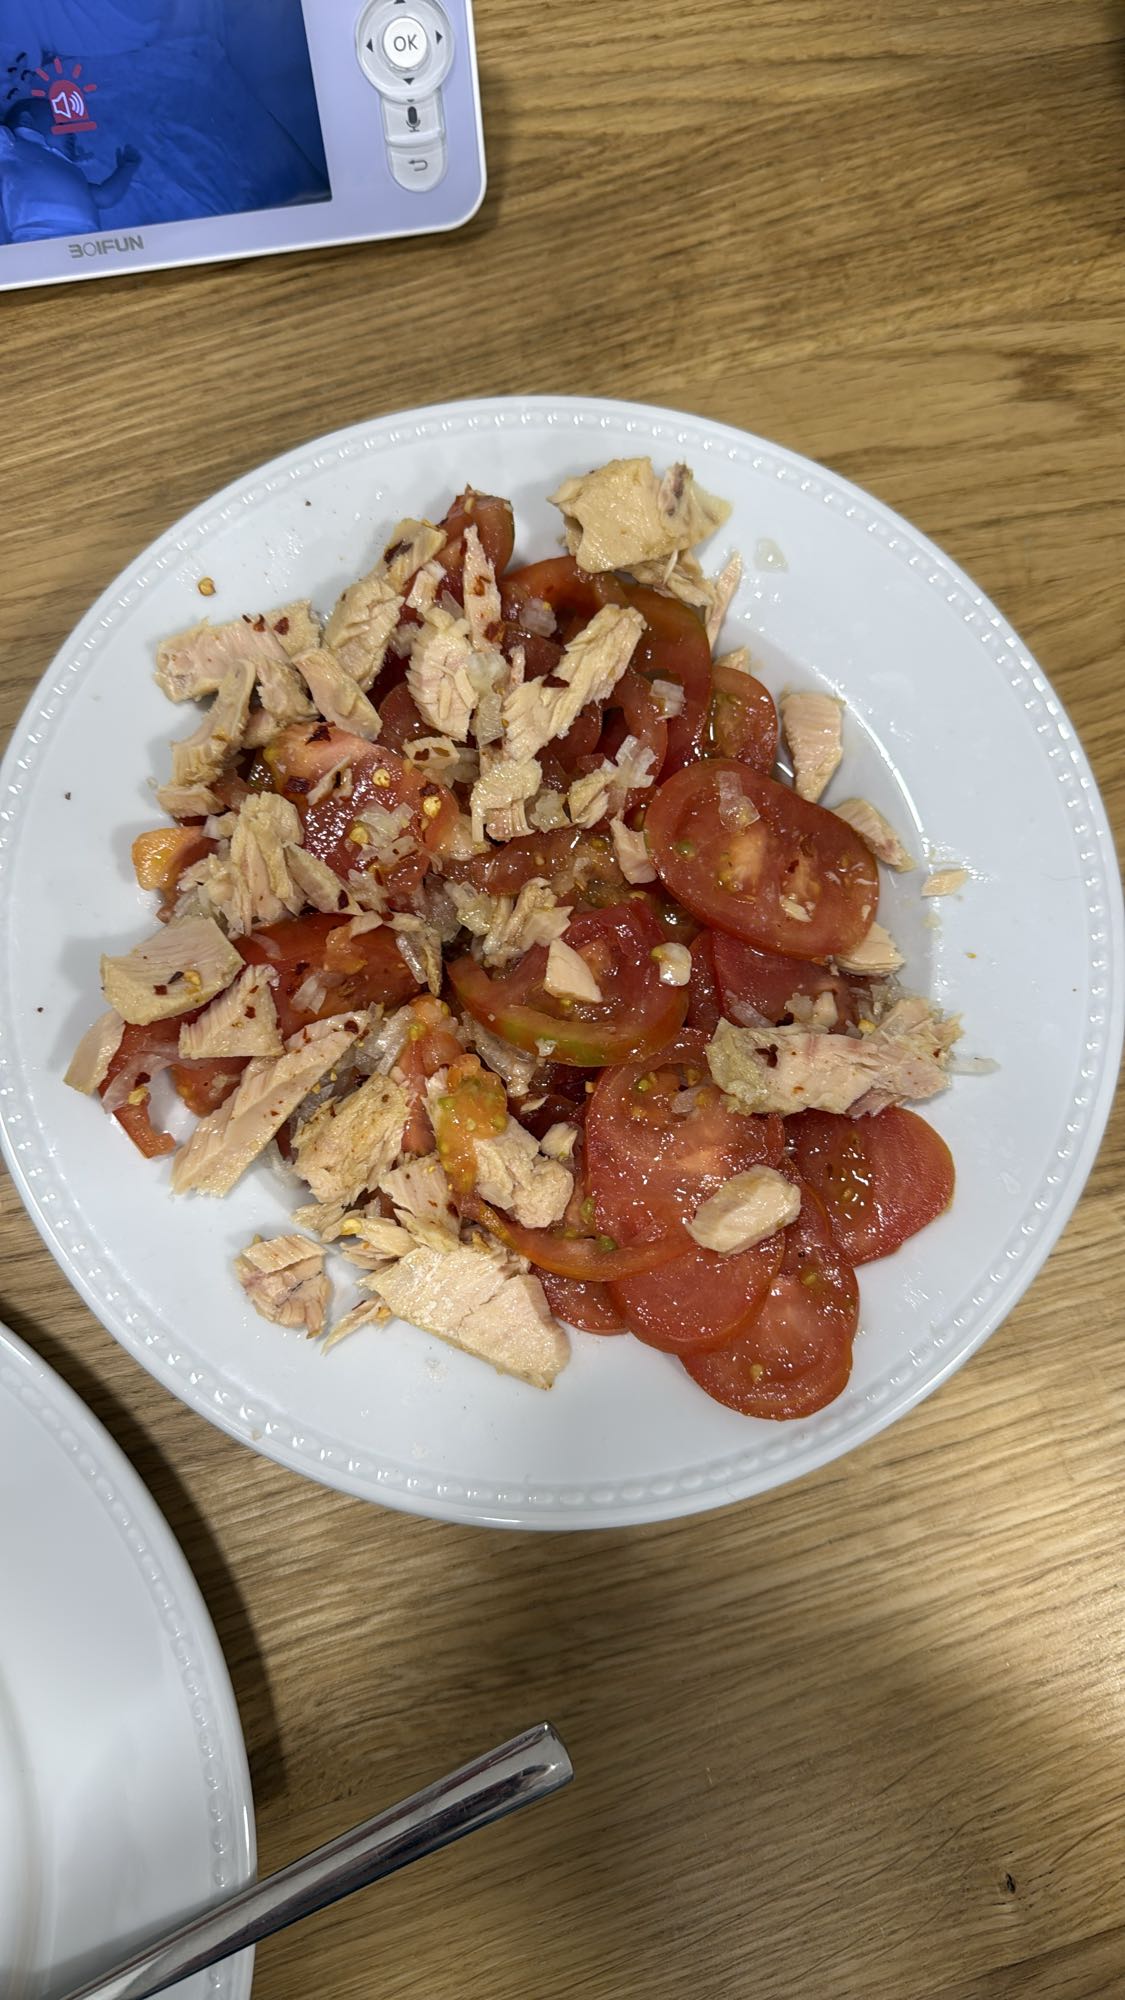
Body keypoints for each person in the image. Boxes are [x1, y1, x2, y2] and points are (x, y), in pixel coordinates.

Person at [0, 96, 139, 242]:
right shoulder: (11, 145)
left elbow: (105, 197)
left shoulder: (73, 172)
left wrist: (126, 169)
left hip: (87, 243)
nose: (73, 133)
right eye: (61, 123)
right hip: (35, 238)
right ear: (26, 121)